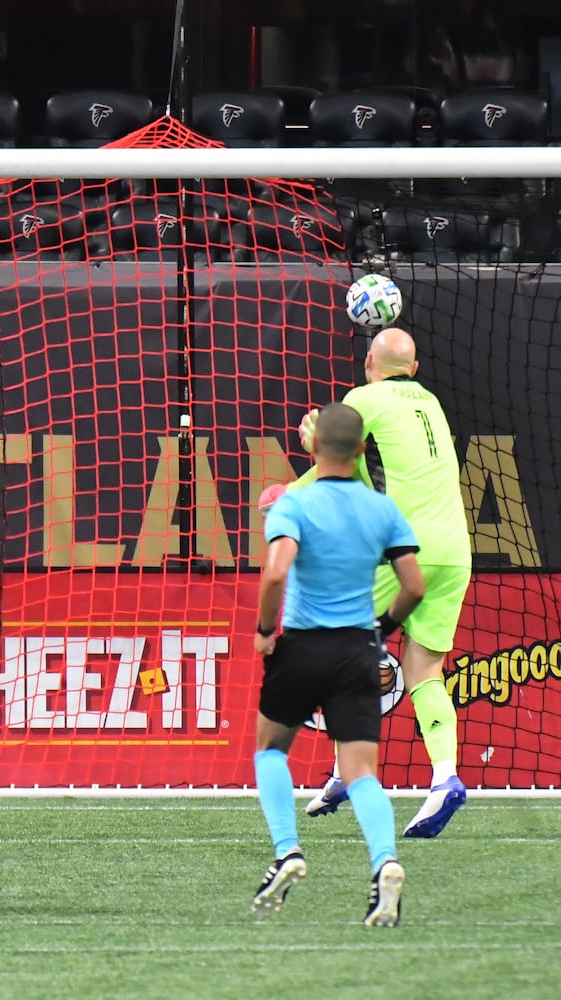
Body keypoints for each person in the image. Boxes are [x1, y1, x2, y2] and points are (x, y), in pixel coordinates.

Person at [250, 404, 425, 928]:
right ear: (360, 450)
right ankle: (385, 862)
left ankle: (288, 852)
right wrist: (383, 627)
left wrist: (264, 633)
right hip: (358, 653)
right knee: (361, 774)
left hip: (302, 649)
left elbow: (277, 573)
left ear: (313, 446)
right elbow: (414, 585)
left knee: (269, 750)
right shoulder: (382, 509)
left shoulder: (295, 504)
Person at [296, 328, 472, 838]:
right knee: (424, 671)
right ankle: (444, 778)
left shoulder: (363, 397)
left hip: (401, 552)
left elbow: (333, 457)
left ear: (368, 360)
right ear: (413, 369)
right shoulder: (432, 403)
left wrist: (310, 442)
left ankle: (349, 769)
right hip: (454, 553)